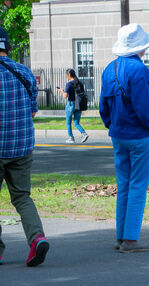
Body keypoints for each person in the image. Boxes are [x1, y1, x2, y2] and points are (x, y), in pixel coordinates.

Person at [100, 23, 149, 252]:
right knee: (138, 186)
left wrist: (113, 125)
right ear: (141, 47)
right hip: (141, 136)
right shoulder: (139, 71)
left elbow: (103, 108)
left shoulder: (110, 68)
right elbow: (146, 107)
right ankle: (130, 240)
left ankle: (120, 237)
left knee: (124, 186)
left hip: (119, 134)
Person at [0, 27, 49, 266]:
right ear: (7, 46)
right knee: (22, 197)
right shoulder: (24, 72)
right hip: (21, 147)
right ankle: (36, 238)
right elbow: (32, 110)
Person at [57, 69, 89, 144]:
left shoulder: (69, 84)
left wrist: (62, 91)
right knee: (76, 123)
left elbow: (65, 96)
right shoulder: (80, 83)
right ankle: (84, 134)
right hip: (79, 104)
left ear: (69, 75)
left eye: (66, 75)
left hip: (71, 104)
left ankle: (71, 138)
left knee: (68, 122)